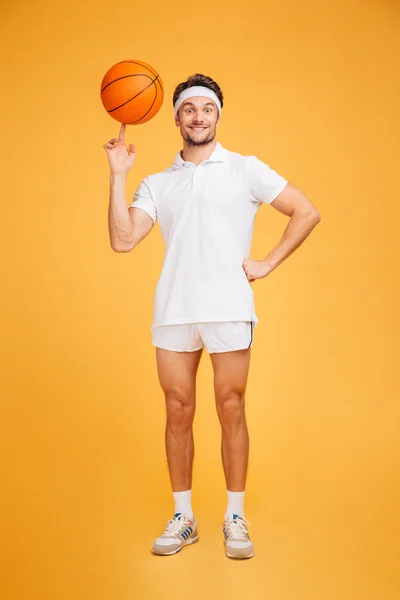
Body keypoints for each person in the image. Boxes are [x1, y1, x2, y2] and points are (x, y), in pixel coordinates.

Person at [104, 73, 321, 559]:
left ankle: (234, 516)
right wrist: (118, 172)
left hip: (228, 306)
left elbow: (305, 211)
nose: (198, 116)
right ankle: (184, 517)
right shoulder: (157, 183)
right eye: (188, 109)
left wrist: (266, 263)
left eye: (206, 109)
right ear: (176, 117)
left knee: (231, 407)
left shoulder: (245, 169)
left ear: (218, 116)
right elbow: (122, 239)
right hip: (174, 309)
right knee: (177, 410)